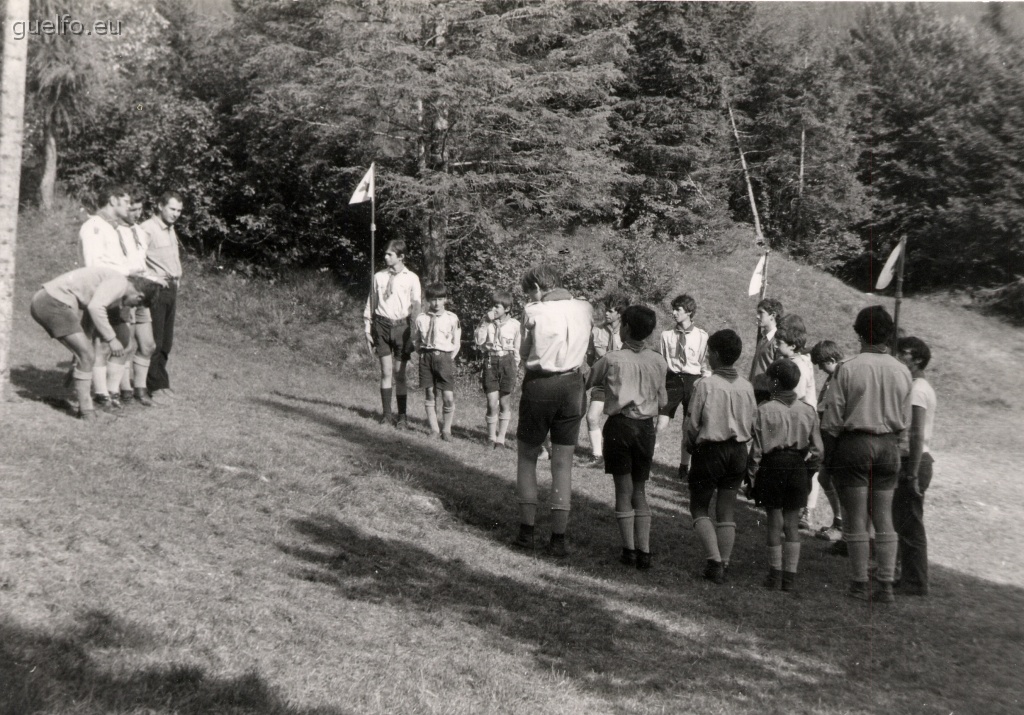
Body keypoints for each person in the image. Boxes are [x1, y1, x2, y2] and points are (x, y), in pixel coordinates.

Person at [820, 305, 912, 604]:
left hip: (855, 445)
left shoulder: (849, 367)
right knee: (884, 518)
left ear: (859, 333)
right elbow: (905, 420)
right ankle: (885, 583)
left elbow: (832, 420)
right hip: (888, 445)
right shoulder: (902, 370)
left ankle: (859, 581)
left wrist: (828, 461)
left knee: (856, 518)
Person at [513, 264, 593, 558]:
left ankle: (526, 532)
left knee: (527, 456)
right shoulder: (585, 307)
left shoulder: (534, 311)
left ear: (536, 288)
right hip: (573, 384)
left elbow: (523, 352)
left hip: (541, 385)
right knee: (563, 464)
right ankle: (558, 539)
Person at [586, 305, 667, 570]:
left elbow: (588, 379)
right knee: (640, 489)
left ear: (627, 328)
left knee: (623, 489)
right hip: (646, 429)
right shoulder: (658, 360)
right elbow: (663, 399)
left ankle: (628, 550)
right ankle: (644, 551)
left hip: (620, 426)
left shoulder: (612, 358)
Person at [29, 266, 162, 421]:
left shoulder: (112, 283)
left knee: (85, 355)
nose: (129, 307)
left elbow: (89, 316)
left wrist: (77, 357)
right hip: (53, 303)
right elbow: (95, 308)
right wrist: (112, 339)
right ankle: (86, 412)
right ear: (139, 296)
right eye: (134, 305)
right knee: (87, 355)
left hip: (48, 301)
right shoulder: (119, 283)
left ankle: (86, 410)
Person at [684, 329, 757, 583]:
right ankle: (724, 561)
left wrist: (690, 445)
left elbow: (693, 423)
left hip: (711, 450)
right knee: (726, 509)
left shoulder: (706, 384)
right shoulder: (746, 386)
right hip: (738, 452)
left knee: (699, 505)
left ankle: (714, 561)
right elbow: (753, 421)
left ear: (714, 354)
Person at [748, 359, 823, 592]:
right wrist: (807, 472)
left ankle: (774, 573)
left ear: (775, 382)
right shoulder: (808, 411)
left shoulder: (764, 410)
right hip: (797, 467)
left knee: (774, 520)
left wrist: (751, 479)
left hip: (773, 466)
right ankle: (789, 577)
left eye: (769, 378)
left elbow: (757, 451)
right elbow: (818, 450)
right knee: (791, 523)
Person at [77, 184, 136, 411]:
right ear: (113, 200)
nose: (130, 207)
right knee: (101, 344)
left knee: (123, 341)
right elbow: (93, 265)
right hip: (102, 291)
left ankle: (111, 391)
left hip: (117, 291)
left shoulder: (113, 228)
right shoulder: (94, 226)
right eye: (127, 202)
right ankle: (102, 395)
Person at [894, 336, 936, 597]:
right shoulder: (916, 386)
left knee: (910, 524)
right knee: (904, 522)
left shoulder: (918, 389)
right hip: (912, 460)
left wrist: (911, 473)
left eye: (904, 354)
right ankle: (907, 576)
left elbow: (917, 433)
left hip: (915, 461)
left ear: (918, 359)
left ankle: (916, 582)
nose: (900, 358)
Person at [363, 240, 421, 428]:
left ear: (401, 257)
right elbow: (371, 302)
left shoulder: (411, 278)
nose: (386, 257)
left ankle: (402, 416)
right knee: (385, 371)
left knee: (400, 374)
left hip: (401, 328)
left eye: (390, 254)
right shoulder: (378, 277)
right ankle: (387, 415)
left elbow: (416, 306)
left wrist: (414, 332)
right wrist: (367, 328)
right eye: (386, 253)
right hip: (381, 325)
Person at [656, 293, 710, 481]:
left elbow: (704, 362)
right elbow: (663, 361)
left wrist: (705, 379)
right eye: (673, 309)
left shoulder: (701, 336)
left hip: (692, 381)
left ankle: (683, 466)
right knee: (661, 422)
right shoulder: (666, 336)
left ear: (689, 311)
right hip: (672, 380)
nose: (673, 313)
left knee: (688, 427)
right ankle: (648, 458)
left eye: (678, 309)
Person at [138, 191, 184, 405]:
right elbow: (137, 261)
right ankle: (151, 386)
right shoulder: (147, 229)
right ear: (160, 205)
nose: (176, 214)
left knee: (166, 341)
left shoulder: (171, 229)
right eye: (172, 209)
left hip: (172, 288)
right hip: (157, 288)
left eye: (179, 210)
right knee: (154, 340)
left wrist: (178, 279)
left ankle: (161, 384)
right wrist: (153, 279)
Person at [773, 314, 818, 531]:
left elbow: (795, 397)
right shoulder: (794, 361)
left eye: (779, 342)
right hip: (798, 419)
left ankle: (802, 510)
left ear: (792, 345)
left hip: (800, 420)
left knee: (801, 466)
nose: (775, 345)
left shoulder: (798, 365)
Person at [117, 198, 159, 407]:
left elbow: (142, 262)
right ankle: (124, 389)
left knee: (148, 344)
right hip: (126, 292)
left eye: (140, 209)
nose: (136, 213)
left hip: (142, 290)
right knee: (126, 344)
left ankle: (140, 389)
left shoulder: (140, 232)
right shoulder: (114, 231)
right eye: (132, 209)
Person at [583, 290, 629, 468]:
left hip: (621, 383)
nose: (606, 314)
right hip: (602, 382)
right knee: (592, 417)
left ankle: (618, 456)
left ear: (620, 313)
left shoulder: (627, 334)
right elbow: (590, 357)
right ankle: (597, 455)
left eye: (610, 311)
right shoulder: (596, 331)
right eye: (606, 310)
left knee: (620, 422)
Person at [413, 283, 461, 440]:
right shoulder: (421, 318)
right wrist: (423, 353)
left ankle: (446, 429)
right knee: (429, 393)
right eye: (433, 300)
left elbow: (456, 342)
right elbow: (416, 340)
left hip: (444, 358)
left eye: (440, 299)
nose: (436, 303)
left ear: (445, 299)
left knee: (448, 395)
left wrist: (447, 357)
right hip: (426, 357)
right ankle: (434, 429)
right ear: (427, 300)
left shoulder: (452, 318)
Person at [474, 288, 520, 449]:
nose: (493, 309)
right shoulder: (486, 322)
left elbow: (517, 349)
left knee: (505, 401)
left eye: (497, 307)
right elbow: (479, 342)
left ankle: (501, 438)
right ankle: (491, 437)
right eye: (492, 306)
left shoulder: (515, 325)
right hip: (490, 360)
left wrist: (516, 367)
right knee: (491, 402)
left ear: (507, 309)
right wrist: (485, 323)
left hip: (507, 361)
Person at [810, 340, 846, 543]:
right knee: (824, 477)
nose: (820, 369)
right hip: (826, 432)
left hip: (835, 435)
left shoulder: (842, 375)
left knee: (832, 479)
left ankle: (841, 524)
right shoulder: (833, 375)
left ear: (831, 359)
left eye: (822, 364)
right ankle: (839, 521)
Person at [749, 297, 784, 404]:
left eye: (761, 313)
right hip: (754, 389)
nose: (757, 316)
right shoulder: (764, 338)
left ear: (772, 315)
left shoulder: (777, 341)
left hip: (766, 394)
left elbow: (780, 372)